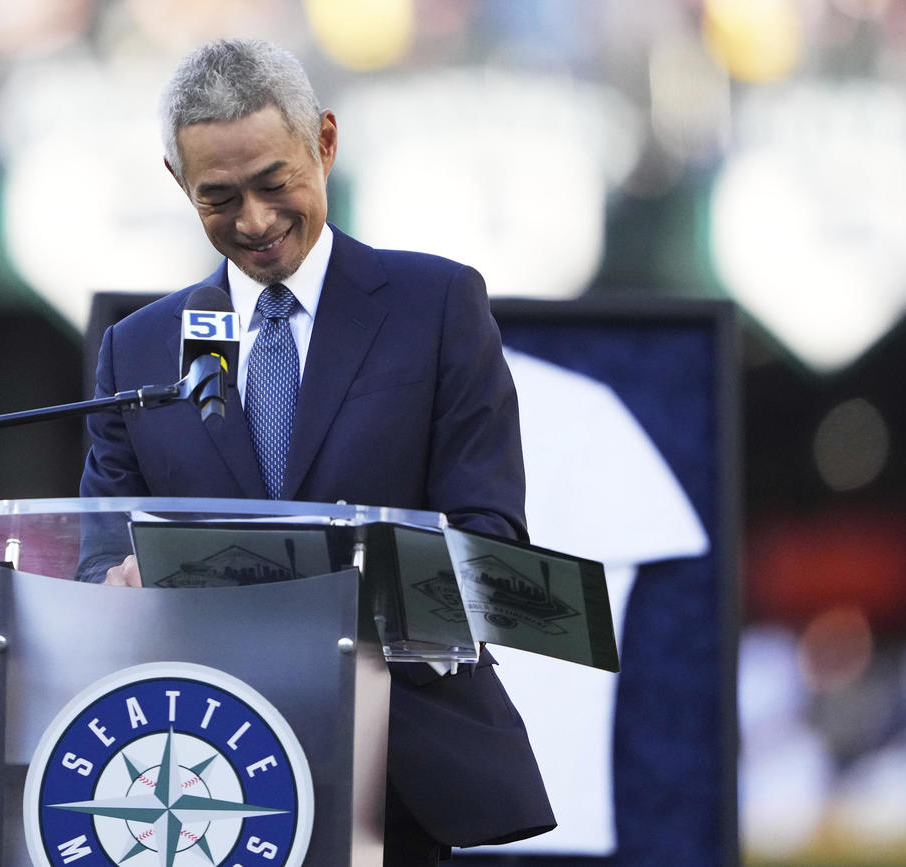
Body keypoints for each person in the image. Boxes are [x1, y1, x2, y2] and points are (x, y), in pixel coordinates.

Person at [80, 38, 554, 866]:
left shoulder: (435, 306)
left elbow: (491, 545)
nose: (255, 223)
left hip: (398, 777)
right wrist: (114, 587)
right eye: (218, 197)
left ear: (325, 143)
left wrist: (354, 580)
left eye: (274, 184)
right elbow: (96, 563)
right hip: (201, 773)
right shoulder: (138, 351)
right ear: (176, 181)